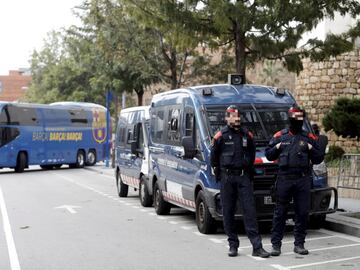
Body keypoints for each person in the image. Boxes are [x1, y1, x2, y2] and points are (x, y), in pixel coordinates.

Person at [210, 105, 270, 258]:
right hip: (227, 178)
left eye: (237, 116)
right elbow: (214, 158)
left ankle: (257, 246)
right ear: (226, 118)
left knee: (249, 211)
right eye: (231, 116)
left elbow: (251, 153)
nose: (235, 119)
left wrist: (248, 172)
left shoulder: (246, 135)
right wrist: (219, 173)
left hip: (243, 177)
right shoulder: (220, 136)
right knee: (228, 212)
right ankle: (233, 245)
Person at [265, 106, 324, 256]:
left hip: (302, 179)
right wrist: (277, 147)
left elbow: (318, 158)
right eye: (294, 118)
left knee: (302, 213)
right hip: (284, 179)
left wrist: (311, 148)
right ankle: (276, 245)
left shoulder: (308, 137)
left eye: (300, 118)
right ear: (290, 119)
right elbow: (269, 155)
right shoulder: (280, 136)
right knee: (280, 213)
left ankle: (299, 244)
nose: (297, 122)